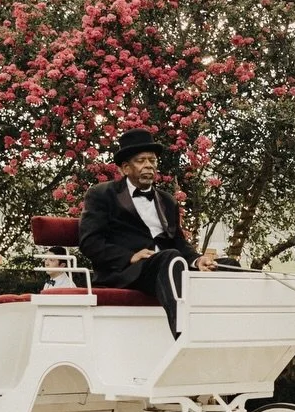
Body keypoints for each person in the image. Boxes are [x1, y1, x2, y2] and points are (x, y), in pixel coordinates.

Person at [78, 128, 221, 335]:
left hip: (168, 266)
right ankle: (185, 336)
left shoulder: (167, 200)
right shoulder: (102, 194)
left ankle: (228, 336)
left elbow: (178, 242)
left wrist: (197, 260)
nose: (149, 166)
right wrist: (130, 256)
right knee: (170, 258)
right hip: (126, 272)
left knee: (225, 266)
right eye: (141, 160)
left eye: (152, 160)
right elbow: (90, 242)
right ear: (125, 168)